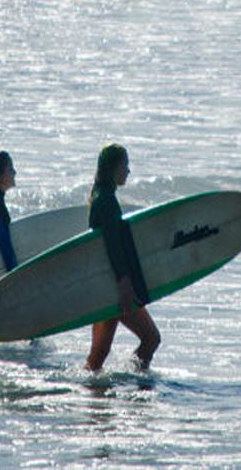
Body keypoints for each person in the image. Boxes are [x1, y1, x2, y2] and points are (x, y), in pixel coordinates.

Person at [85, 144, 161, 372]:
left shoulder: (100, 196)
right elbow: (112, 246)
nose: (128, 171)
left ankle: (95, 398)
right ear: (113, 168)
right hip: (115, 287)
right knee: (151, 339)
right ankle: (137, 384)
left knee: (97, 359)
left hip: (105, 285)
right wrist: (124, 283)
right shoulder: (106, 201)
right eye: (124, 165)